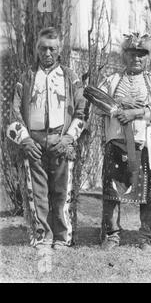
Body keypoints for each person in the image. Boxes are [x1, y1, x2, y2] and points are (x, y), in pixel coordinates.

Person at [6, 27, 88, 250]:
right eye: (43, 48)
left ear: (59, 49)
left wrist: (69, 138)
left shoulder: (70, 77)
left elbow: (82, 110)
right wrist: (25, 140)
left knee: (62, 192)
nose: (47, 53)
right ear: (37, 50)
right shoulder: (26, 77)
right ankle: (43, 236)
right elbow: (14, 112)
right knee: (38, 191)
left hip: (61, 141)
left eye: (52, 48)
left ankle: (62, 238)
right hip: (34, 142)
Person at [95, 32, 151, 251]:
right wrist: (115, 109)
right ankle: (111, 234)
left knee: (146, 192)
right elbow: (98, 103)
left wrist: (136, 112)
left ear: (148, 57)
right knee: (111, 191)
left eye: (142, 54)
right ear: (124, 55)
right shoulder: (111, 80)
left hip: (143, 144)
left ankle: (146, 236)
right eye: (132, 54)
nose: (136, 58)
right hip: (116, 142)